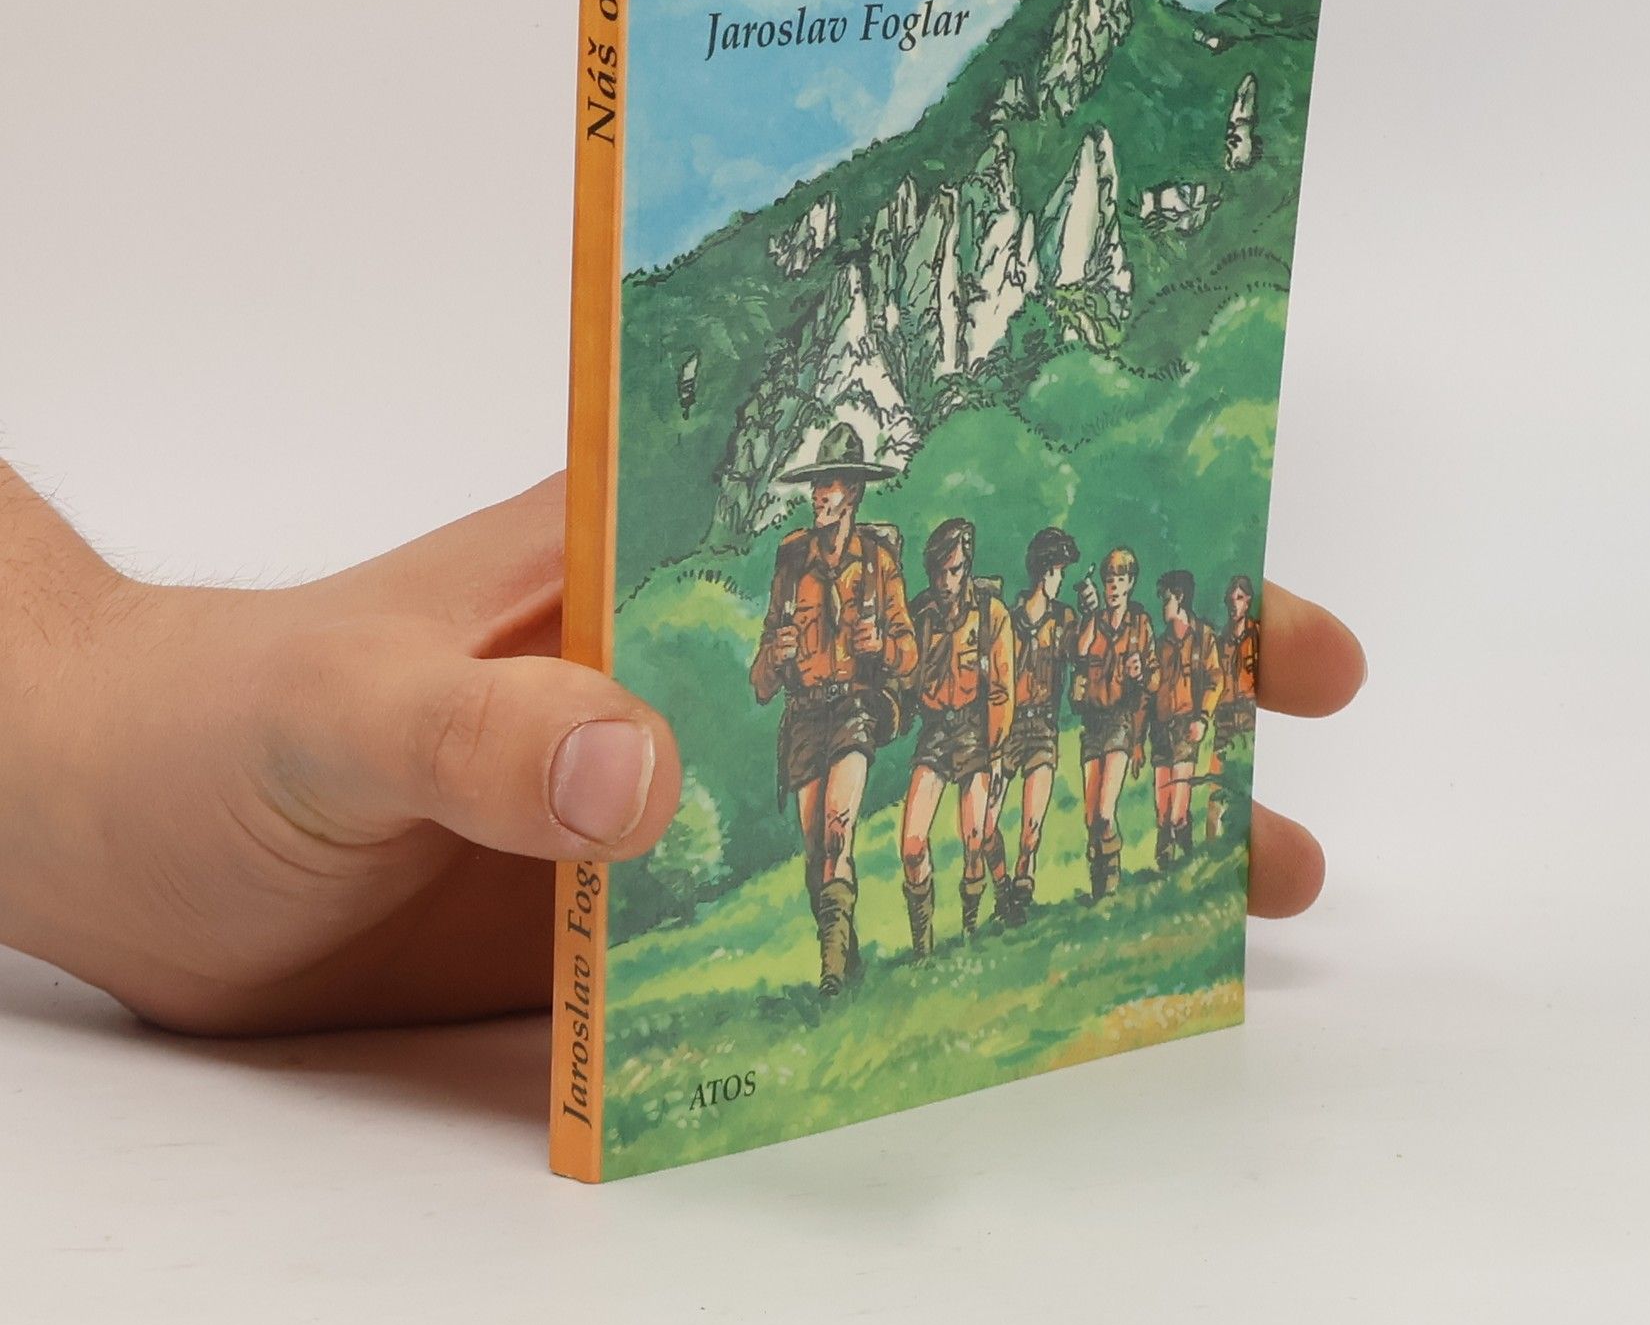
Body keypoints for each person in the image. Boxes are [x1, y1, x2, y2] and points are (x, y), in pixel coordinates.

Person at [0, 456, 1361, 1035]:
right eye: (824, 493)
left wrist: (78, 702)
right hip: (831, 708)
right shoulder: (818, 569)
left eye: (844, 493)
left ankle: (956, 919)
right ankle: (859, 938)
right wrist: (75, 712)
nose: (834, 507)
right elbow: (782, 637)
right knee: (841, 845)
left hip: (902, 713)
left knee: (901, 831)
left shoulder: (896, 580)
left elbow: (921, 645)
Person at [748, 423, 918, 997]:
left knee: (839, 829)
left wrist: (881, 646)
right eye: (817, 483)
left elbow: (909, 653)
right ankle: (848, 954)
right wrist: (775, 656)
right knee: (815, 852)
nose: (820, 494)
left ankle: (830, 976)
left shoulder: (879, 563)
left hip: (855, 709)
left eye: (832, 483)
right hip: (803, 716)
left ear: (854, 493)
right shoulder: (791, 564)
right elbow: (760, 683)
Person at [899, 518, 1016, 955]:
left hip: (976, 730)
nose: (945, 582)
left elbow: (1002, 689)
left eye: (955, 570)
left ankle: (978, 920)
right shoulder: (919, 615)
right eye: (939, 572)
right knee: (912, 844)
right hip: (934, 732)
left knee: (976, 837)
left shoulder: (991, 614)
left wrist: (997, 752)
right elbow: (902, 676)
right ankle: (922, 947)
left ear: (967, 567)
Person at [982, 525, 1081, 925]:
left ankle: (1024, 877)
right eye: (1060, 572)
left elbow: (1082, 654)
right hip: (1008, 729)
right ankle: (1003, 887)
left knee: (1031, 826)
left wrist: (1091, 615)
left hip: (1042, 728)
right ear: (1046, 571)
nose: (1061, 580)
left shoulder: (1066, 619)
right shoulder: (1008, 620)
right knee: (986, 824)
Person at [1072, 546, 1160, 902]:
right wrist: (1089, 616)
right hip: (1092, 723)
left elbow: (1155, 679)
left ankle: (1109, 887)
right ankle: (1099, 882)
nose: (1113, 586)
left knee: (1106, 813)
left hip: (1122, 721)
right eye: (1109, 579)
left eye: (1120, 579)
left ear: (1130, 583)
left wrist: (1141, 675)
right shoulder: (1092, 623)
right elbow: (1079, 658)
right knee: (1091, 817)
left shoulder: (1140, 624)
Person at [1148, 570, 1225, 867]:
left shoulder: (1203, 637)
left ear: (1179, 598)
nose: (1162, 605)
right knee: (1162, 808)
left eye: (1166, 599)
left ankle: (1183, 846)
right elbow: (1149, 694)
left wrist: (1203, 717)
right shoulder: (1160, 644)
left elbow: (1215, 679)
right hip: (1160, 729)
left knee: (1178, 807)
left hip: (1186, 726)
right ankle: (1167, 860)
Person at [1209, 575, 1260, 842]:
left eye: (1239, 598)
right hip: (1225, 718)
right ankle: (1212, 842)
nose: (1234, 605)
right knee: (1216, 782)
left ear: (1248, 601)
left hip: (1249, 717)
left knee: (1245, 784)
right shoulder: (1221, 642)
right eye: (1230, 600)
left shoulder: (1258, 635)